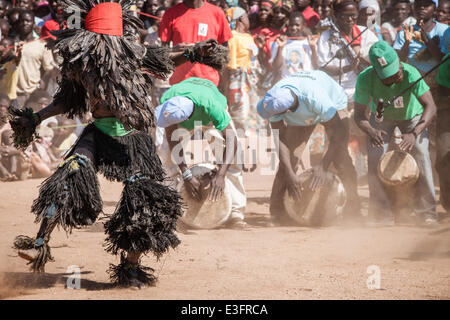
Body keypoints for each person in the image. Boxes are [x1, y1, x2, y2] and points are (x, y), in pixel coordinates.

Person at [9, 0, 220, 288]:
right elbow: (66, 101)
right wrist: (37, 117)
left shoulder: (134, 54)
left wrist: (195, 52)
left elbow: (165, 58)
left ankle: (131, 267)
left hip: (134, 138)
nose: (100, 44)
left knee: (143, 201)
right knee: (69, 175)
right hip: (98, 133)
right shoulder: (79, 63)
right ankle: (39, 243)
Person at [257, 70, 362, 226]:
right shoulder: (273, 100)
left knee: (340, 159)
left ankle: (353, 211)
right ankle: (278, 213)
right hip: (303, 115)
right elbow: (280, 139)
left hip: (332, 103)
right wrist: (290, 173)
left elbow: (338, 133)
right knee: (289, 161)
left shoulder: (315, 98)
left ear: (287, 110)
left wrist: (323, 165)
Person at [353, 41, 438, 226]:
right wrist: (371, 130)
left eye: (396, 70)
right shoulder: (365, 78)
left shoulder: (411, 73)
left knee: (421, 154)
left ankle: (427, 212)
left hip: (412, 116)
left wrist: (414, 133)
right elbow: (359, 115)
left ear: (399, 61)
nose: (396, 76)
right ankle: (380, 213)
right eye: (388, 76)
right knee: (376, 156)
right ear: (375, 71)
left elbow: (430, 106)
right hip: (382, 119)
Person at [155, 77, 248, 229]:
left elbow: (232, 140)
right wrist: (186, 174)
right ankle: (169, 213)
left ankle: (236, 213)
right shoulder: (169, 101)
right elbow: (173, 140)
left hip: (209, 115)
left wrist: (221, 175)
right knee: (167, 159)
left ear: (187, 117)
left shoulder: (211, 105)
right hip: (185, 110)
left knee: (235, 158)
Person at [159, 0, 233, 86]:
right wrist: (189, 52)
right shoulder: (171, 13)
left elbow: (225, 52)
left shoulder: (217, 13)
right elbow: (164, 53)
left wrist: (224, 83)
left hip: (208, 82)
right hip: (180, 83)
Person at [224, 7, 260, 134]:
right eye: (246, 17)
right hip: (238, 79)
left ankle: (250, 132)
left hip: (249, 78)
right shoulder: (232, 37)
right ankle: (241, 134)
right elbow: (231, 63)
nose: (249, 20)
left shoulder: (248, 37)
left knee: (250, 106)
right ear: (240, 19)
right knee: (239, 107)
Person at [393, 0, 447, 75]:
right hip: (411, 79)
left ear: (435, 9)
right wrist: (407, 43)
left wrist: (426, 39)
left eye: (426, 5)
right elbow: (398, 61)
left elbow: (443, 60)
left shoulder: (444, 31)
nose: (421, 7)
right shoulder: (404, 32)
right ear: (413, 7)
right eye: (418, 4)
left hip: (437, 80)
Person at [14, 10, 55, 107]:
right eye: (22, 21)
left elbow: (50, 68)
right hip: (13, 96)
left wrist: (43, 83)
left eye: (28, 21)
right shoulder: (10, 44)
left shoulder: (42, 45)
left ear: (33, 23)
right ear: (18, 23)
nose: (24, 23)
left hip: (33, 95)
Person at [270, 12, 319, 81]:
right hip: (288, 83)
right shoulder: (280, 42)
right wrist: (280, 48)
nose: (293, 28)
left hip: (306, 82)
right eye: (291, 25)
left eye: (297, 25)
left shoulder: (310, 43)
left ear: (304, 25)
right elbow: (276, 67)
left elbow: (317, 66)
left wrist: (313, 48)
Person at [435, 29, 450, 212]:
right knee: (444, 157)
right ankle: (448, 202)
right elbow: (440, 100)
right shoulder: (446, 64)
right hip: (448, 114)